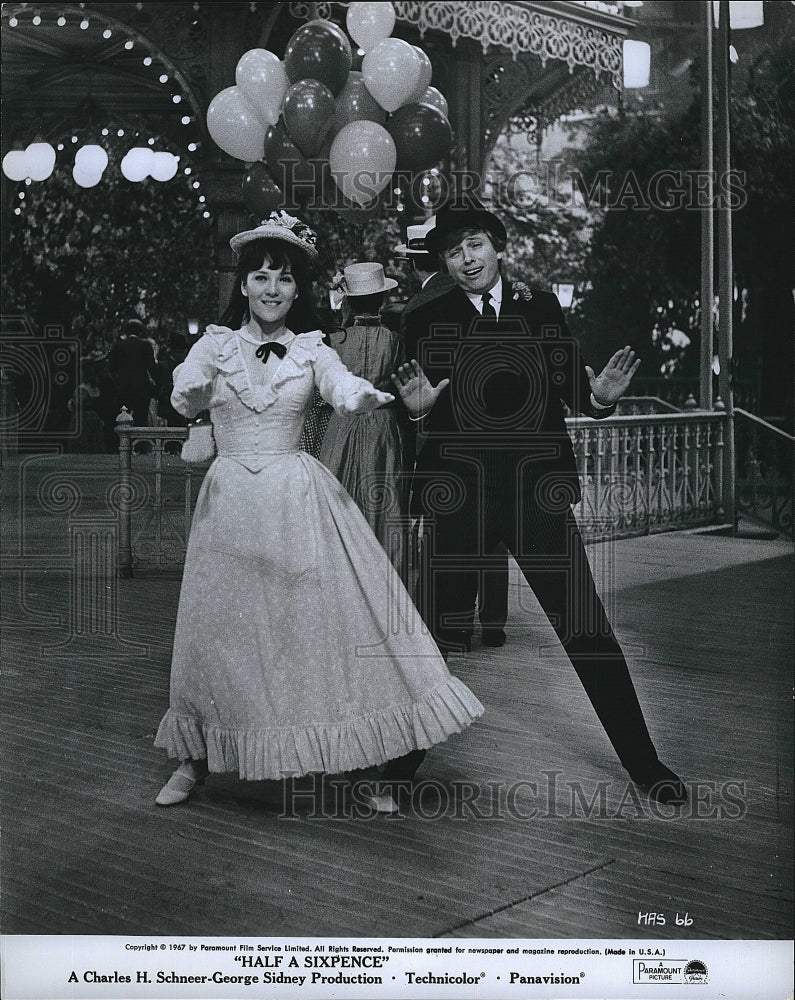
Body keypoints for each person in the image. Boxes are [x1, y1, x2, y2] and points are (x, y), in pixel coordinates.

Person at [154, 211, 483, 813]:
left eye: (282, 278)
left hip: (297, 498)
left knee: (313, 630)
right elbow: (186, 386)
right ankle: (194, 759)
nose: (271, 289)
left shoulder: (312, 348)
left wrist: (368, 394)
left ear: (298, 290)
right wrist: (193, 395)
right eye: (260, 277)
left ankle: (367, 755)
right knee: (221, 634)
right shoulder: (215, 344)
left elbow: (340, 386)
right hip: (229, 505)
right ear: (244, 285)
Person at [392, 199, 687, 805]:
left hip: (536, 494)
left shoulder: (541, 307)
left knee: (586, 626)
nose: (466, 258)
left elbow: (572, 386)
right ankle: (399, 765)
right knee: (439, 632)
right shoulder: (425, 318)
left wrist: (599, 397)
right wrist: (416, 411)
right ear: (444, 263)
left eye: (475, 244)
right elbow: (413, 405)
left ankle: (644, 761)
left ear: (498, 248)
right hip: (462, 495)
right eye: (453, 251)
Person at [396, 219, 510, 648]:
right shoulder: (477, 295)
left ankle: (453, 625)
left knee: (450, 537)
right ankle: (493, 619)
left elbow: (412, 383)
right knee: (493, 535)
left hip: (444, 443)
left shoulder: (420, 308)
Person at [318, 262, 407, 575]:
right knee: (383, 498)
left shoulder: (333, 340)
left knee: (338, 494)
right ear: (381, 300)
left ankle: (339, 574)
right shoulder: (395, 341)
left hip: (342, 424)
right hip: (382, 425)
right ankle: (383, 578)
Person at [107, 318, 161, 426]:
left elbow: (111, 367)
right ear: (140, 332)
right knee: (141, 421)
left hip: (123, 389)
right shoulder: (145, 345)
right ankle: (139, 442)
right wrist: (159, 384)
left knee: (123, 421)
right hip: (141, 389)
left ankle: (124, 442)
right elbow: (152, 368)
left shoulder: (118, 346)